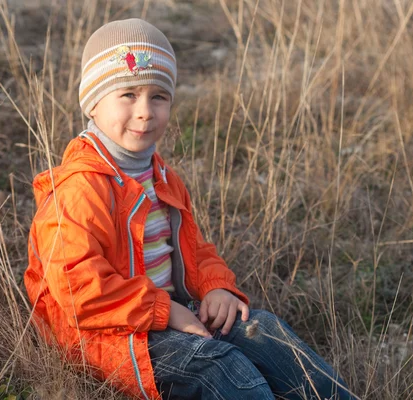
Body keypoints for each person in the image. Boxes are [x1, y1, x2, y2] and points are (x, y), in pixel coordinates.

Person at [24, 18, 352, 400]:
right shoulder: (82, 186)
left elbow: (194, 249)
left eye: (158, 97)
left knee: (262, 330)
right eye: (128, 95)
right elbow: (75, 287)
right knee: (218, 365)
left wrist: (217, 289)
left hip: (168, 311)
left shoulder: (162, 177)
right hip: (112, 333)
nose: (145, 111)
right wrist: (165, 310)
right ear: (93, 103)